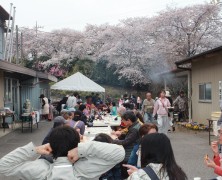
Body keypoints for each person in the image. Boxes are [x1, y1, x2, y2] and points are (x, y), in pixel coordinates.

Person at [0, 126, 125, 180]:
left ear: (51, 146)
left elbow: (3, 166)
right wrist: (81, 149)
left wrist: (35, 150)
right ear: (77, 144)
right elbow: (119, 153)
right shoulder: (86, 170)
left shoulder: (40, 169)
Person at [113, 111, 141, 179]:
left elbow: (126, 142)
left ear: (128, 120)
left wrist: (112, 141)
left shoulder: (134, 129)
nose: (122, 122)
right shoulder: (135, 125)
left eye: (123, 120)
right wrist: (121, 134)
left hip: (129, 154)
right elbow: (130, 137)